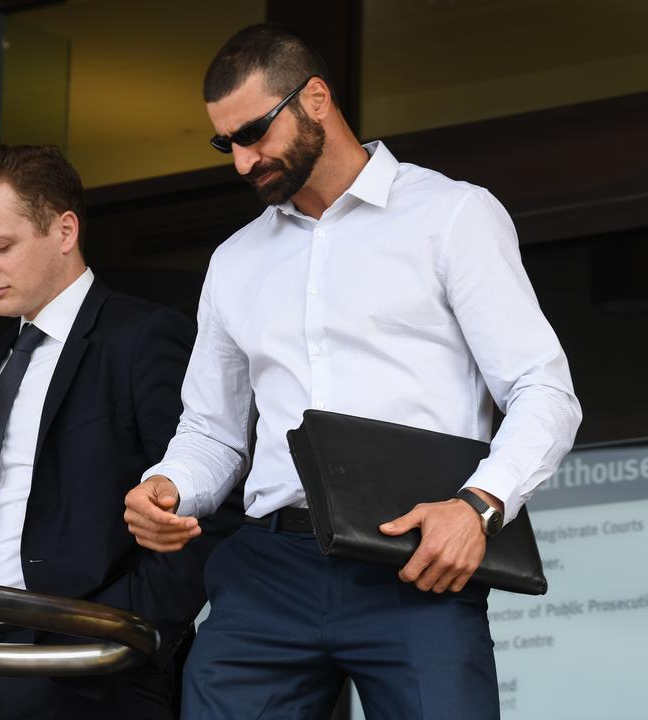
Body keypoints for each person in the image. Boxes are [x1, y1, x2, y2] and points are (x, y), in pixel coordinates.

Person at [123, 23, 581, 719]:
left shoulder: (452, 216)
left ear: (315, 99)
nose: (243, 162)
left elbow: (543, 390)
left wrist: (478, 507)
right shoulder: (234, 262)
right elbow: (214, 433)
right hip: (269, 574)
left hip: (415, 564)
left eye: (254, 133)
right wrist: (169, 487)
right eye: (227, 144)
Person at [0, 143, 235, 719]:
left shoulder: (143, 337)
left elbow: (210, 498)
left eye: (1, 246)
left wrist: (121, 630)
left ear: (64, 230)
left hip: (84, 667)